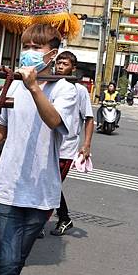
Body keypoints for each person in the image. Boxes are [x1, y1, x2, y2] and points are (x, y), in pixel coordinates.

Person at [0, 24, 77, 275]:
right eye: (26, 46)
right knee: (6, 265)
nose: (28, 52)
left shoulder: (65, 90)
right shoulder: (13, 87)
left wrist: (34, 88)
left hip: (42, 192)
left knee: (13, 264)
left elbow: (54, 121)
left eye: (36, 47)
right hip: (9, 186)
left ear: (52, 54)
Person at [50, 51, 94, 236]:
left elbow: (89, 118)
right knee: (47, 184)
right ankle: (57, 218)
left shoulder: (80, 90)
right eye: (58, 62)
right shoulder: (49, 84)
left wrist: (86, 145)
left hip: (66, 147)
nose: (60, 66)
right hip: (46, 145)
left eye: (65, 64)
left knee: (53, 184)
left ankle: (63, 218)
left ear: (73, 68)